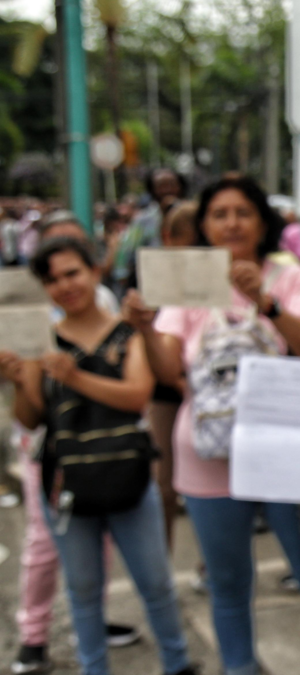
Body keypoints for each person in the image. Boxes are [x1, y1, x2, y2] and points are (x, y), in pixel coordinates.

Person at [122, 175, 300, 675]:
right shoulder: (189, 284)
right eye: (219, 214)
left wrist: (266, 301)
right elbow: (169, 370)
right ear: (204, 225)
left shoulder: (289, 276)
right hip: (208, 456)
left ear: (262, 222)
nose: (232, 223)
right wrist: (145, 329)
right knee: (228, 584)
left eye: (243, 212)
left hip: (289, 452)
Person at [1, 237, 195, 675]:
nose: (65, 286)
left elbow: (137, 395)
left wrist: (75, 377)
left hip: (128, 475)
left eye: (72, 273)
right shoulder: (41, 341)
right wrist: (17, 382)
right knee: (83, 590)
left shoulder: (127, 333)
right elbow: (32, 417)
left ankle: (177, 663)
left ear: (94, 272)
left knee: (156, 583)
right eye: (52, 279)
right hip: (67, 482)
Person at [8, 215, 138, 675]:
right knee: (45, 543)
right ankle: (33, 637)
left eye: (75, 261)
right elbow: (28, 408)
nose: (65, 281)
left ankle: (93, 623)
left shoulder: (105, 302)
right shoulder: (31, 316)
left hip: (101, 441)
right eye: (53, 271)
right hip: (49, 446)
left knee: (97, 540)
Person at [147, 200, 200, 550]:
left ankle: (207, 560)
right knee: (163, 484)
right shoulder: (156, 276)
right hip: (166, 389)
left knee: (205, 486)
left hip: (204, 389)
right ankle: (161, 560)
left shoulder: (217, 276)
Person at [108, 167, 187, 295]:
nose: (167, 190)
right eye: (161, 186)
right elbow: (127, 252)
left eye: (171, 185)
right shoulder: (143, 220)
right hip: (152, 286)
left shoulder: (192, 215)